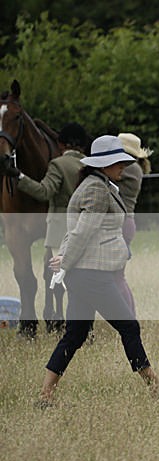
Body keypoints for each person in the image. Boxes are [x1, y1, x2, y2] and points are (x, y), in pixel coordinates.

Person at [37, 135, 159, 407]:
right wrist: (66, 260)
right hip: (92, 275)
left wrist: (65, 258)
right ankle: (157, 386)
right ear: (103, 165)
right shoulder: (96, 189)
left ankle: (45, 394)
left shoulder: (101, 184)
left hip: (85, 274)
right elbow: (82, 231)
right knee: (129, 326)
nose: (123, 167)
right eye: (118, 162)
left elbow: (76, 230)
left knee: (75, 335)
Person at [15, 122, 89, 330]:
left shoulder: (58, 164)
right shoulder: (89, 164)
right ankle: (85, 323)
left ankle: (63, 320)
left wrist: (19, 177)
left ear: (61, 143)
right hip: (84, 227)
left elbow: (44, 192)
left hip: (60, 229)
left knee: (61, 277)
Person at [115, 132, 152, 315]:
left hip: (121, 223)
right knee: (118, 277)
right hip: (126, 222)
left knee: (117, 277)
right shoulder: (135, 167)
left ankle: (129, 318)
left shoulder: (129, 168)